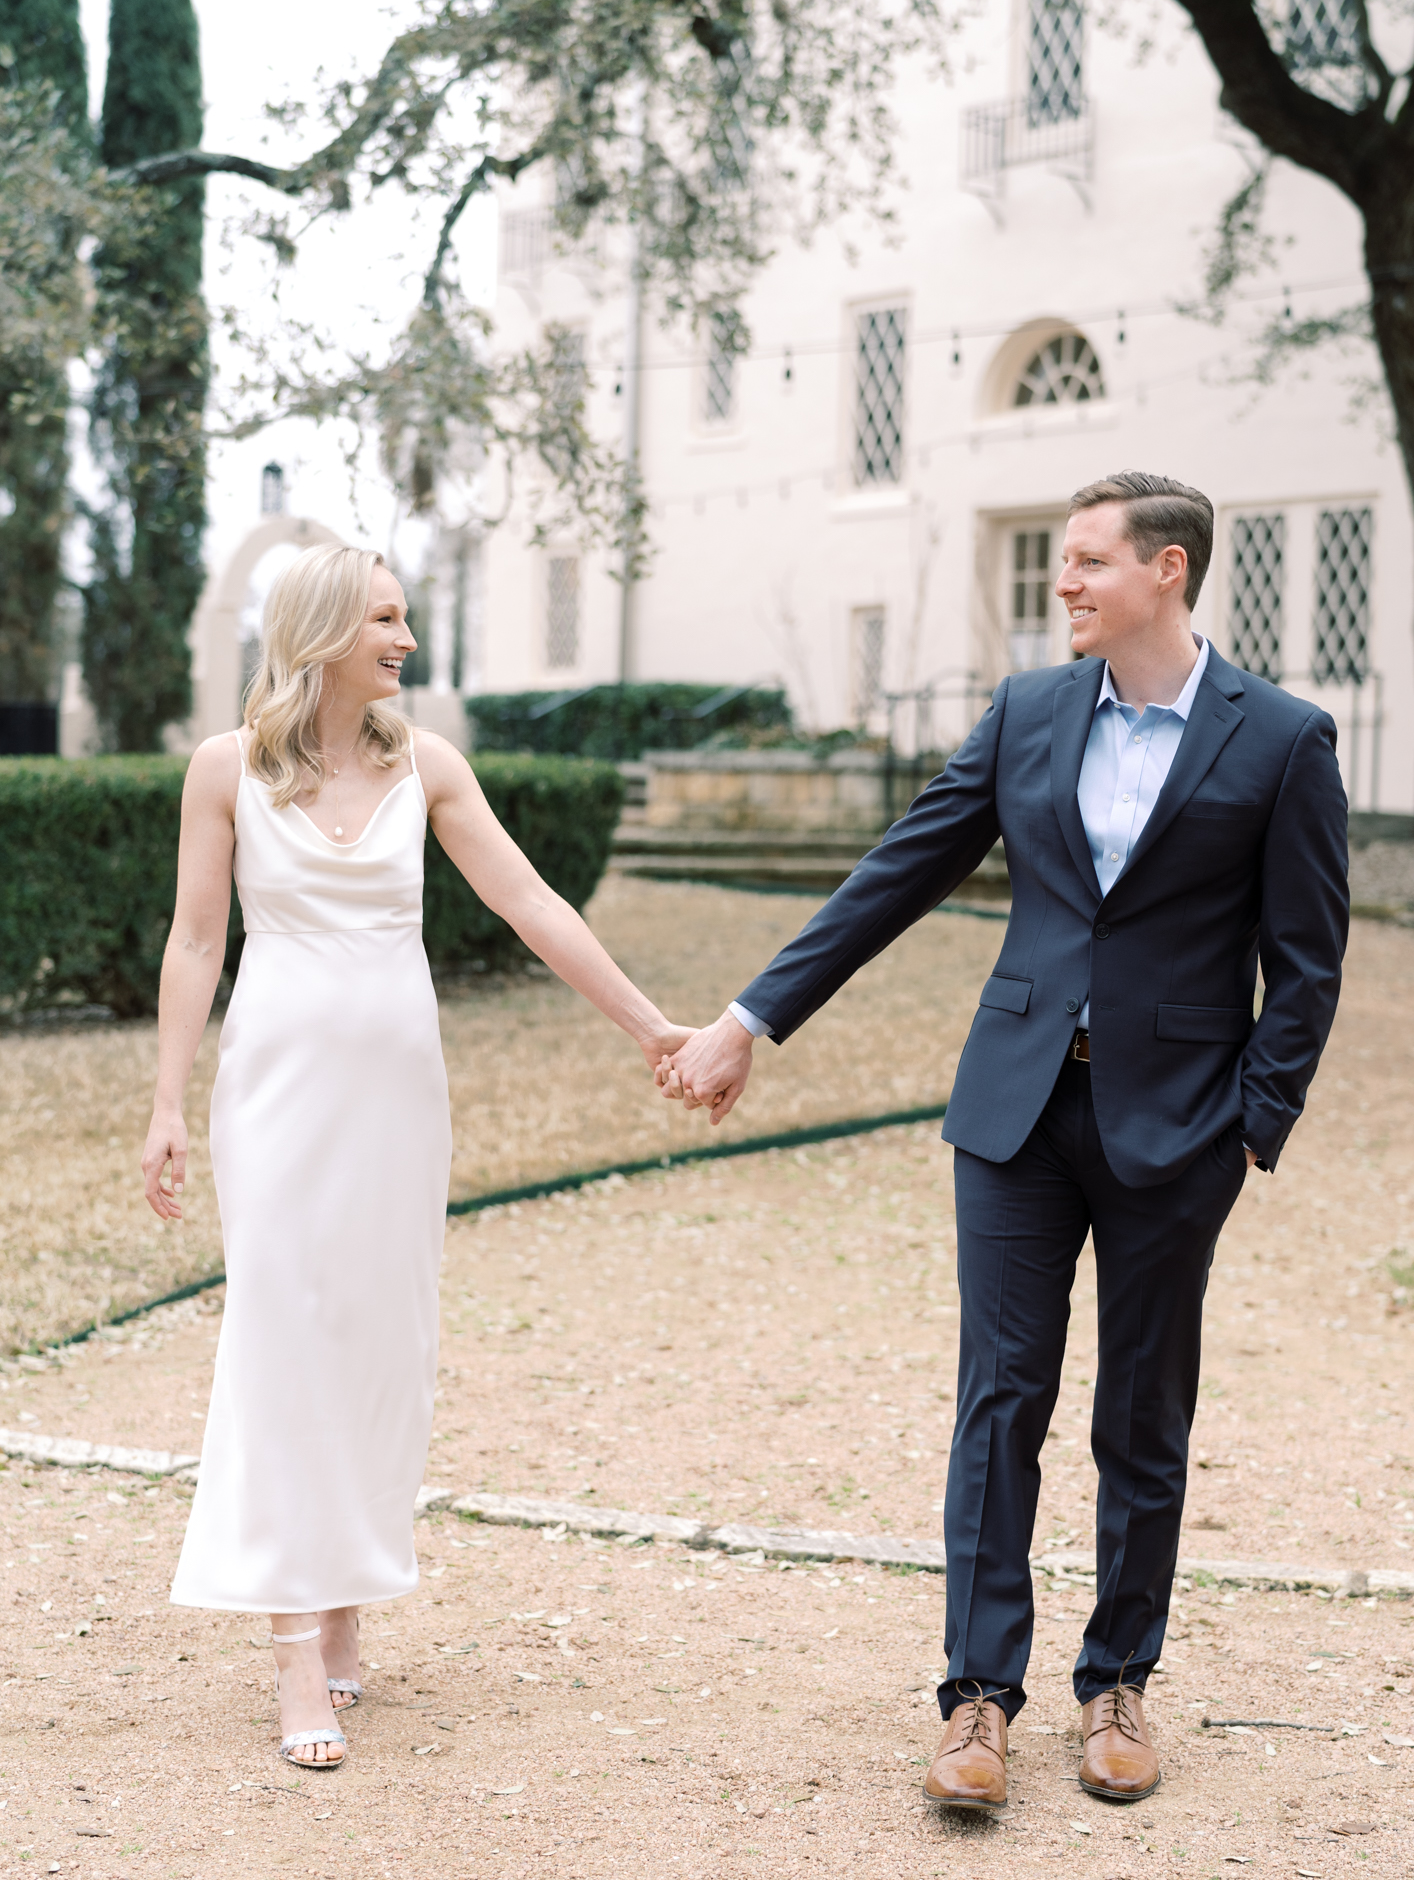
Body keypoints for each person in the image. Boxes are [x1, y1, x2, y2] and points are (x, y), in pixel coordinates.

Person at [659, 473, 1348, 1810]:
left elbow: (1304, 961)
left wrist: (1251, 1129)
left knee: (1140, 1410)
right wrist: (752, 1017)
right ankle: (976, 1697)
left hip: (1178, 1127)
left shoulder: (1280, 739)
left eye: (1088, 560)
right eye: (1062, 561)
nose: (1064, 581)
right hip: (1015, 1112)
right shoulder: (1028, 711)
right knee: (999, 1403)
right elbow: (899, 868)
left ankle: (1115, 1683)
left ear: (1164, 568)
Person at [144, 544, 691, 1770]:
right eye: (386, 619)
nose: (404, 639)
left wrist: (651, 1025)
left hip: (397, 1099)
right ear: (328, 629)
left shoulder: (428, 767)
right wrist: (167, 1102)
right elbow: (193, 944)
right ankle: (293, 1640)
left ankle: (341, 1593)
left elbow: (531, 904)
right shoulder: (224, 770)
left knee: (379, 1345)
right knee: (284, 1334)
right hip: (275, 1098)